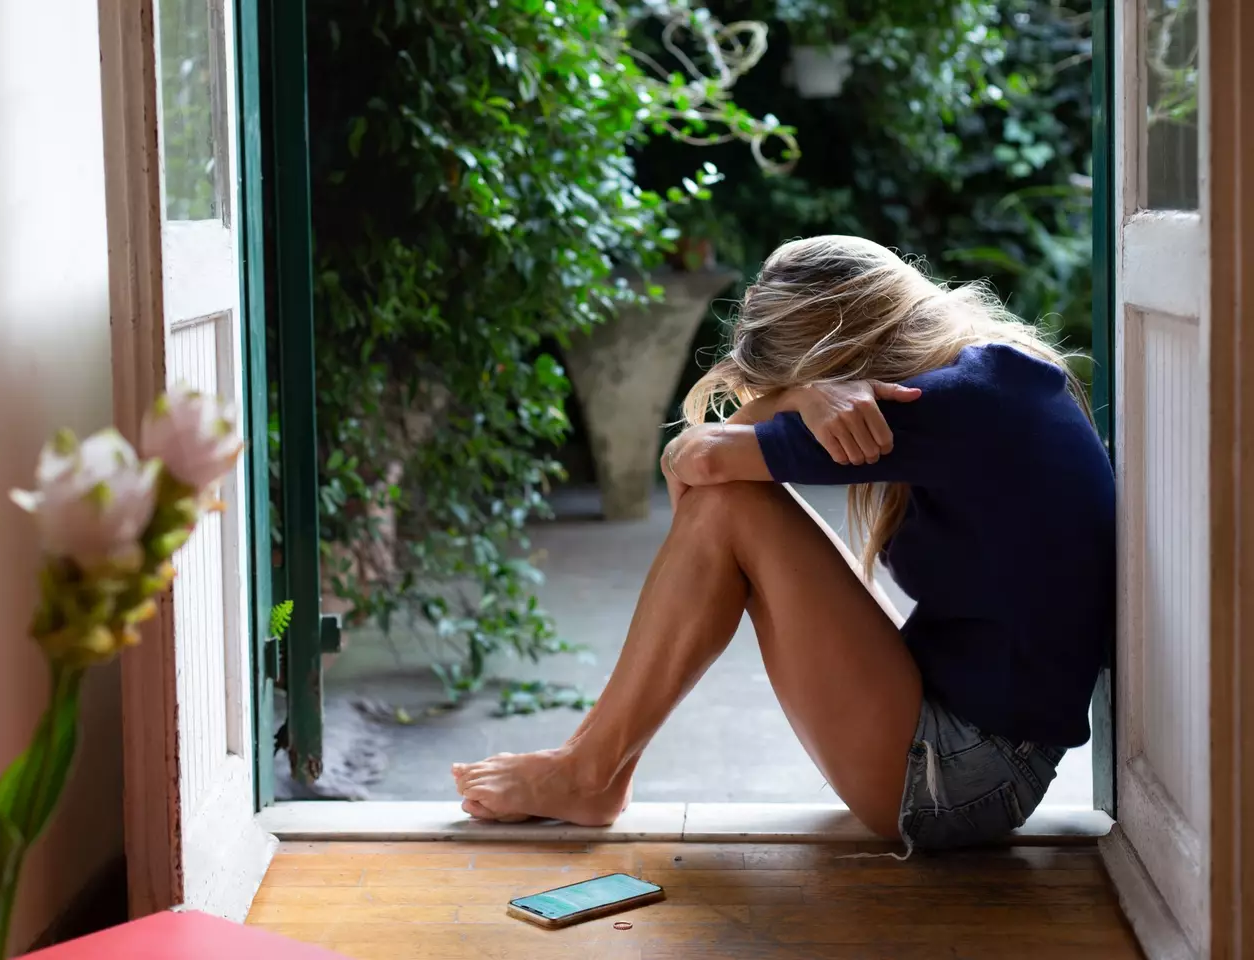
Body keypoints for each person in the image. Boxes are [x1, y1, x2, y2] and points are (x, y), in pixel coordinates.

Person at [450, 235, 1115, 853]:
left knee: (731, 507)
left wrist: (793, 400)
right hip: (964, 745)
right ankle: (594, 767)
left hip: (964, 777)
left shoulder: (951, 402)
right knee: (729, 505)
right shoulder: (988, 380)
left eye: (794, 379)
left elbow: (697, 463)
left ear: (845, 359)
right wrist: (801, 395)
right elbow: (705, 468)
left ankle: (591, 771)